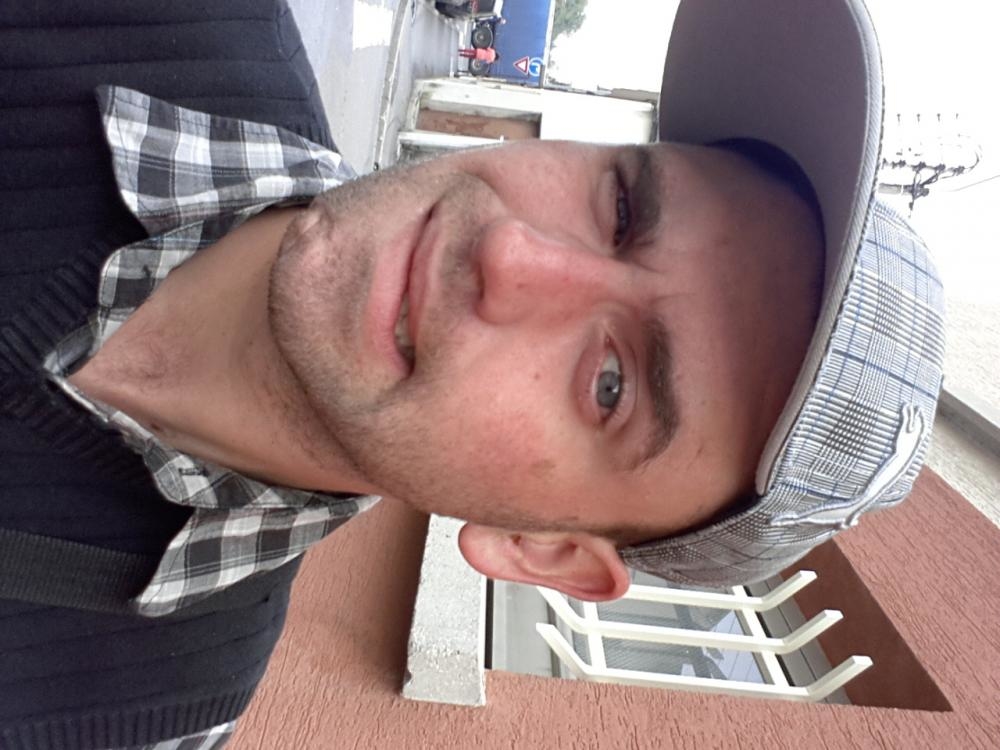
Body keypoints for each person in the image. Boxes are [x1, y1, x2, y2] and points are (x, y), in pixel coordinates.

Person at [0, 0, 944, 748]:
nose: (513, 257)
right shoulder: (160, 17)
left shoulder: (134, 710)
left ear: (544, 549)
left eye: (611, 386)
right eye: (620, 208)